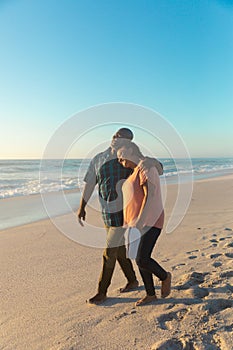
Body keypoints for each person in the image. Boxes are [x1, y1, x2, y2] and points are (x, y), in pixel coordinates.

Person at [77, 128, 163, 305]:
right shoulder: (98, 159)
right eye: (117, 135)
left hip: (125, 213)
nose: (118, 139)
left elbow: (157, 170)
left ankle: (102, 291)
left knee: (109, 252)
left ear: (128, 143)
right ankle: (132, 280)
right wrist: (82, 207)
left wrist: (153, 161)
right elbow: (90, 184)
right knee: (119, 250)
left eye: (124, 138)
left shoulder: (127, 158)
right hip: (106, 213)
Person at [117, 140, 171, 306]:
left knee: (142, 259)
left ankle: (165, 276)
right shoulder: (135, 170)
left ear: (131, 151)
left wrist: (140, 219)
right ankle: (150, 294)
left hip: (149, 220)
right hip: (134, 222)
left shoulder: (145, 167)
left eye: (121, 156)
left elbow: (150, 193)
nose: (119, 161)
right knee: (139, 257)